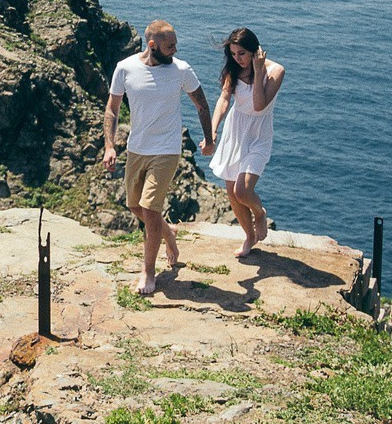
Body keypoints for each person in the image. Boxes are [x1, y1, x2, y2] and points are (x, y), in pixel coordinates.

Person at [103, 20, 215, 296]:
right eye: (170, 46)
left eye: (176, 44)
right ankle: (168, 233)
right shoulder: (126, 68)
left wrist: (210, 139)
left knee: (151, 210)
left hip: (167, 149)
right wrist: (109, 146)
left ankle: (148, 272)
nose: (175, 50)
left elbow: (201, 104)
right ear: (152, 45)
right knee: (135, 206)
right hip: (136, 149)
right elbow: (112, 110)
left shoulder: (181, 70)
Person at [209, 26, 285, 259]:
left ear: (254, 49)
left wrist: (259, 70)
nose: (237, 58)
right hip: (236, 131)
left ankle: (259, 213)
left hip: (258, 134)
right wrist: (212, 131)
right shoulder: (234, 70)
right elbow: (224, 99)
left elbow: (259, 105)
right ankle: (249, 236)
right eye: (233, 54)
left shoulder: (276, 70)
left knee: (243, 190)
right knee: (232, 192)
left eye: (241, 53)